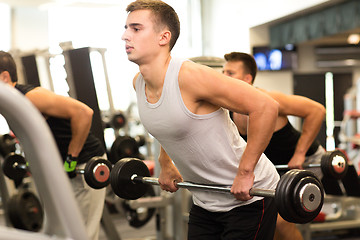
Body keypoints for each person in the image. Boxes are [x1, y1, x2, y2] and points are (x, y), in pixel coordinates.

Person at [122, 1, 281, 239]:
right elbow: (167, 124)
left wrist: (246, 172)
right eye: (126, 28)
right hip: (206, 201)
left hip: (250, 197)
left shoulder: (191, 76)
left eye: (136, 29)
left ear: (163, 37)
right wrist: (165, 163)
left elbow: (266, 107)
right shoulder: (139, 83)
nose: (125, 36)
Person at [0, 50, 107, 240]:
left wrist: (71, 159)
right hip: (61, 171)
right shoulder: (10, 104)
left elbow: (84, 113)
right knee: (59, 231)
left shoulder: (30, 97)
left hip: (84, 166)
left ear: (4, 77)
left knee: (81, 234)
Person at [223, 51, 326, 240]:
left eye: (230, 73)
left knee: (280, 220)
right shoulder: (228, 107)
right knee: (269, 222)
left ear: (247, 79)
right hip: (276, 169)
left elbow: (317, 111)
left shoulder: (268, 99)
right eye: (223, 72)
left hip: (307, 162)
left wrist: (300, 153)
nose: (224, 77)